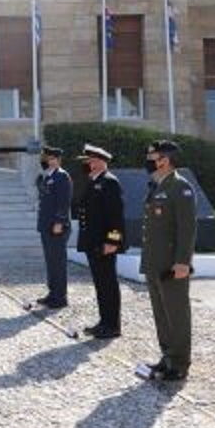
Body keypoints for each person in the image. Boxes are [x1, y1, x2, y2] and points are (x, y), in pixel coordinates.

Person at [140, 140, 197, 381]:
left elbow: (187, 228)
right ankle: (167, 357)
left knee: (176, 314)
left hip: (172, 264)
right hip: (155, 262)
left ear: (165, 160)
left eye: (152, 157)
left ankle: (180, 363)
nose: (148, 161)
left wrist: (183, 262)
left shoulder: (180, 187)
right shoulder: (158, 185)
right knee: (161, 314)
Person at [73, 144, 125, 339]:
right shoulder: (94, 181)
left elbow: (116, 217)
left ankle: (112, 325)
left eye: (91, 161)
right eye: (88, 161)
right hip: (93, 242)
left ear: (100, 162)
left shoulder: (109, 182)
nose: (88, 164)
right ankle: (104, 322)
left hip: (104, 244)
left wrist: (112, 242)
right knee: (101, 285)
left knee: (108, 284)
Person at [34, 145, 72, 309]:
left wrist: (59, 222)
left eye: (51, 159)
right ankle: (52, 293)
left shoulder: (62, 176)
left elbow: (64, 202)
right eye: (47, 159)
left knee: (58, 262)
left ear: (58, 159)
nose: (49, 161)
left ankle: (60, 297)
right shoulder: (47, 176)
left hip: (57, 226)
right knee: (51, 261)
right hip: (46, 225)